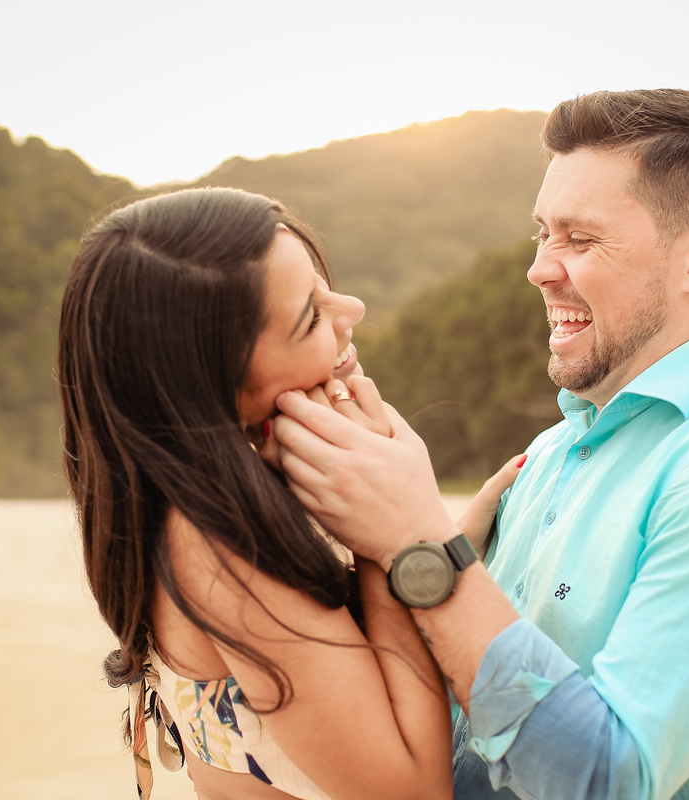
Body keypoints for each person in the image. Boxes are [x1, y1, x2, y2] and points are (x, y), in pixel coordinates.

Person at [267, 90, 689, 800]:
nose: (540, 268)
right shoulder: (547, 455)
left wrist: (421, 547)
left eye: (579, 239)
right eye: (542, 234)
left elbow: (604, 782)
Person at [56, 187, 466, 800]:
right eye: (311, 315)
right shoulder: (220, 543)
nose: (350, 307)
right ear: (215, 387)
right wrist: (392, 536)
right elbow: (412, 791)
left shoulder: (186, 502)